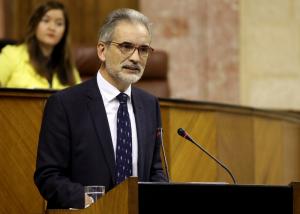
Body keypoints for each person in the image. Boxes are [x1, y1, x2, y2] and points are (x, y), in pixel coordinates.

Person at [34, 8, 167, 209]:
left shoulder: (150, 104)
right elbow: (49, 175)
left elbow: (155, 171)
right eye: (126, 46)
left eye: (143, 49)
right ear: (102, 51)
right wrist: (95, 203)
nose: (135, 58)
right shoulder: (65, 104)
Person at [0, 1, 81, 89]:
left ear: (64, 32)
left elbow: (82, 97)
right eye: (46, 20)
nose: (52, 28)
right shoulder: (12, 54)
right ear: (34, 24)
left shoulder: (67, 65)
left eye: (59, 23)